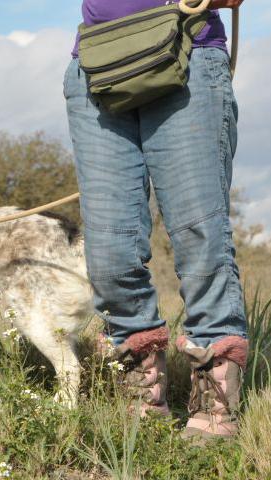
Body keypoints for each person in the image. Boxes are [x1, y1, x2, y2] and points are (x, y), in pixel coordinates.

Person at [65, 0, 247, 439]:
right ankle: (143, 393)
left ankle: (216, 399)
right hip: (97, 62)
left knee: (199, 234)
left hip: (187, 50)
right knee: (108, 252)